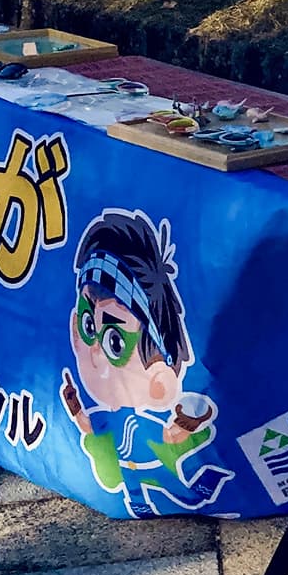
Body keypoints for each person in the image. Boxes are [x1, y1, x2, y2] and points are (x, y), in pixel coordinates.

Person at [59, 210, 233, 517]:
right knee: (138, 489)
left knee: (178, 489)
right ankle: (142, 499)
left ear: (160, 377)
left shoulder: (146, 423)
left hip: (158, 463)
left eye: (116, 342)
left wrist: (189, 422)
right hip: (130, 472)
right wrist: (74, 406)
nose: (95, 351)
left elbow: (172, 435)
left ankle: (198, 488)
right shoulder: (109, 418)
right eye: (88, 327)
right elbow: (88, 425)